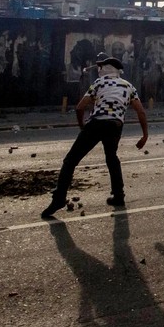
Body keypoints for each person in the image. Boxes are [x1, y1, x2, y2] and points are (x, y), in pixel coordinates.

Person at [42, 53, 149, 218]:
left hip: (97, 123)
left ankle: (59, 198)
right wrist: (144, 135)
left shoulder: (99, 82)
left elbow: (80, 107)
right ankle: (119, 196)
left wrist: (82, 126)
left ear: (105, 70)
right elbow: (140, 111)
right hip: (115, 125)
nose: (99, 70)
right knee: (111, 157)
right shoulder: (128, 86)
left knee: (70, 160)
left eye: (101, 67)